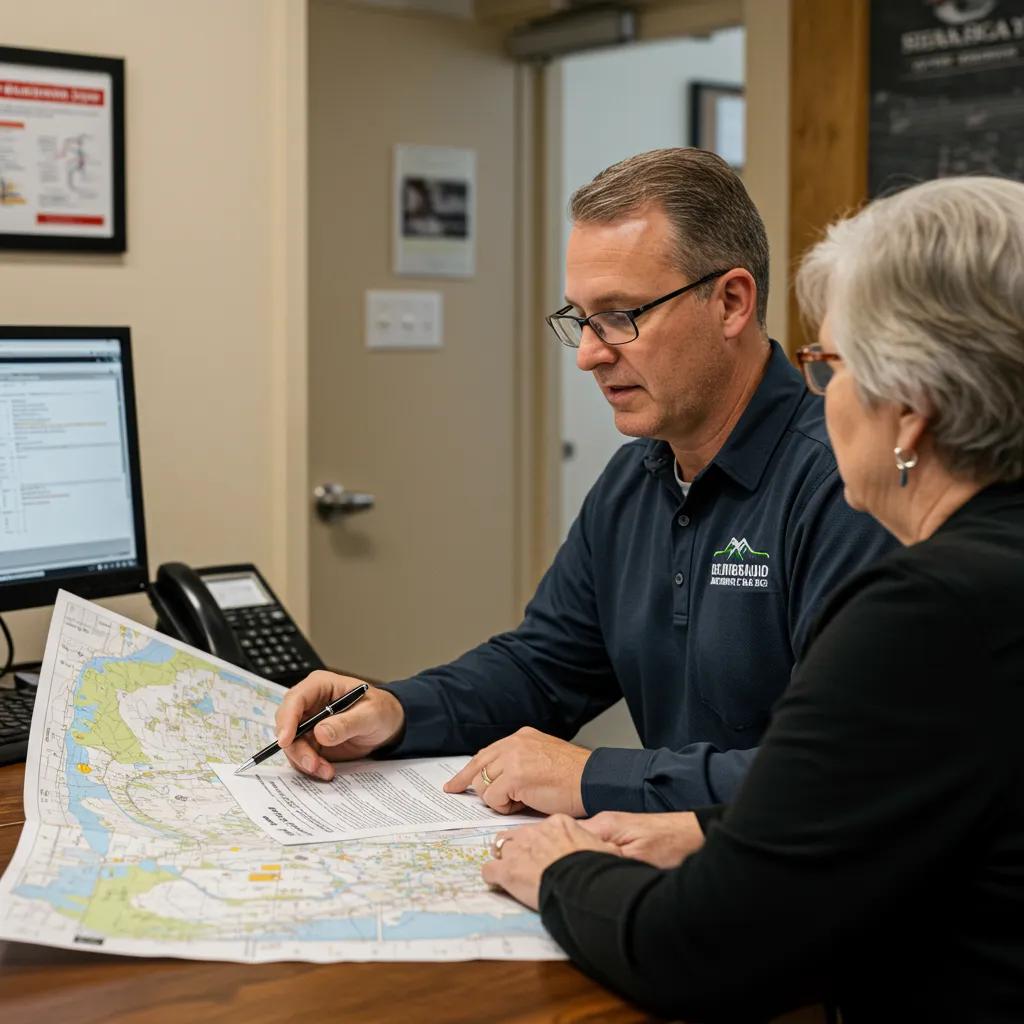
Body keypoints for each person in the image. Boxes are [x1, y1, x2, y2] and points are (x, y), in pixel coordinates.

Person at [481, 175, 1024, 1022]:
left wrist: (559, 869)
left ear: (912, 412)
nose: (822, 398)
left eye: (831, 367)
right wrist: (712, 829)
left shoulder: (929, 612)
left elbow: (700, 949)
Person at [276, 148, 893, 816]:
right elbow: (544, 667)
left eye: (621, 315)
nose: (590, 355)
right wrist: (396, 709)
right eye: (580, 320)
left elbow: (838, 771)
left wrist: (594, 776)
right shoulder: (636, 477)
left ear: (731, 303)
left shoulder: (846, 485)